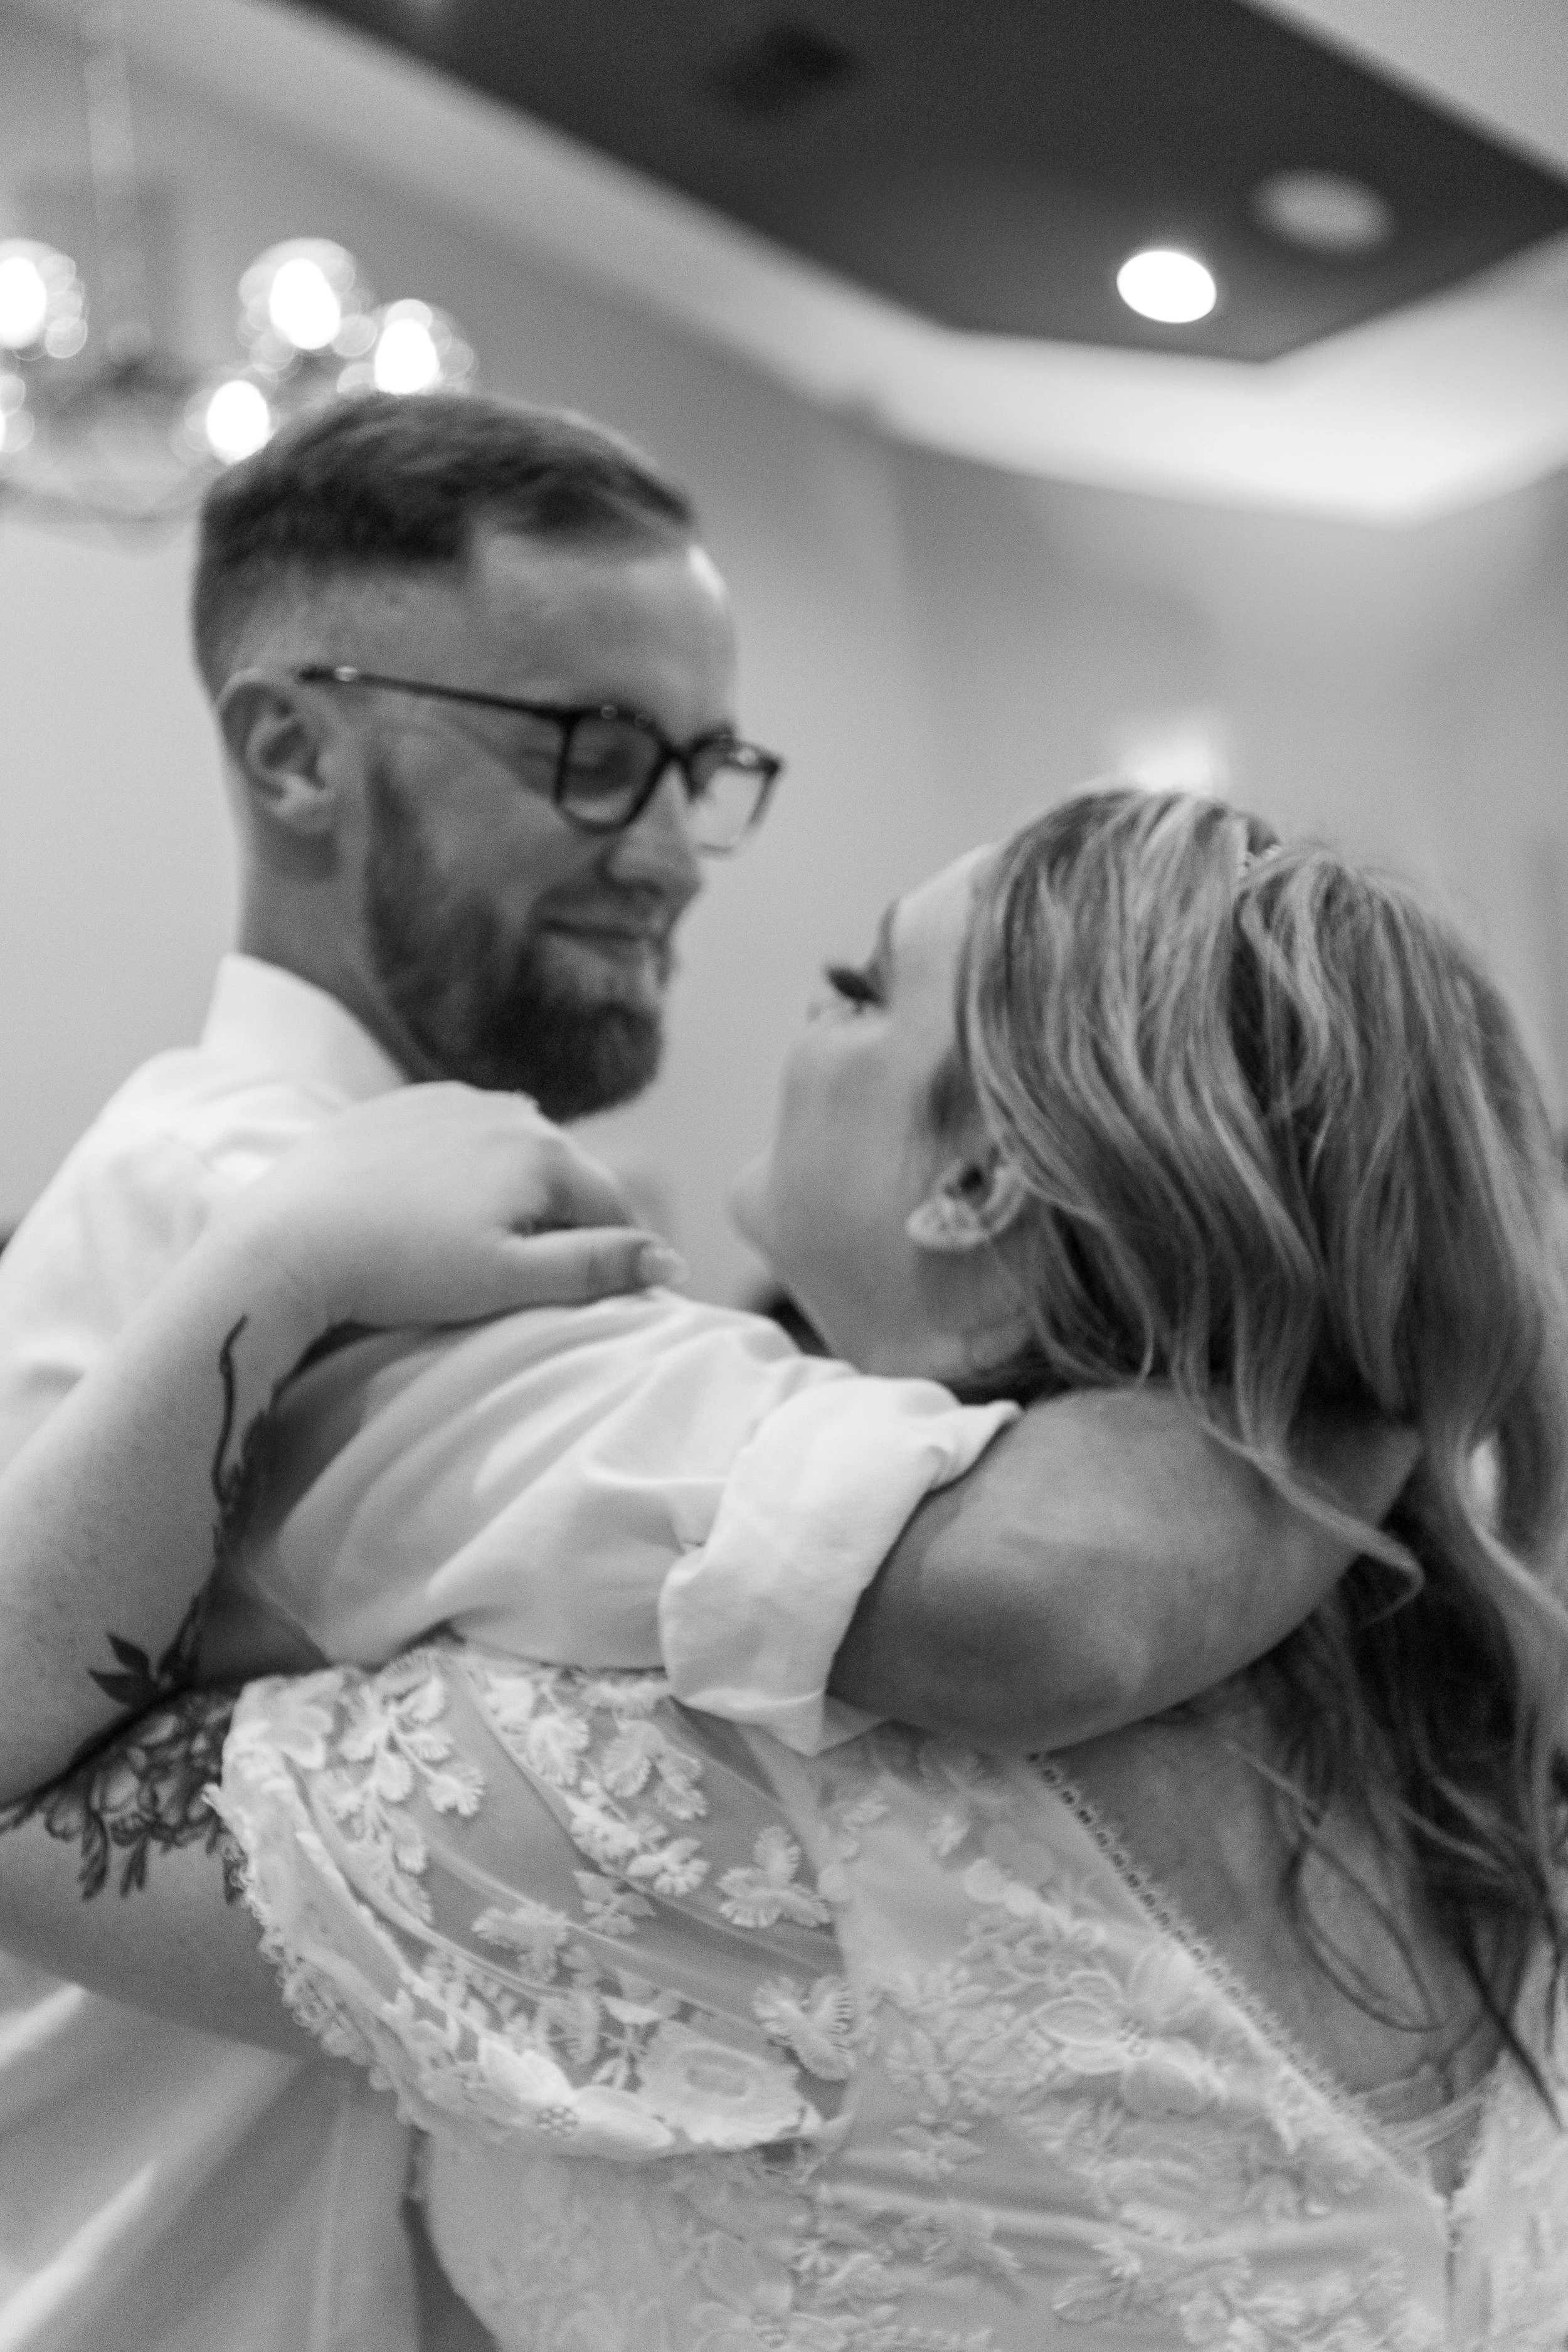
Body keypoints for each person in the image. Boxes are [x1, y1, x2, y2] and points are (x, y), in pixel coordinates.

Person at [0, 394, 1397, 2352]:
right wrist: (1382, 1349)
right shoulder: (294, 1226)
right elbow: (1032, 1587)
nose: (671, 852)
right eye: (590, 755)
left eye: (700, 763)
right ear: (296, 749)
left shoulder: (360, 1214)